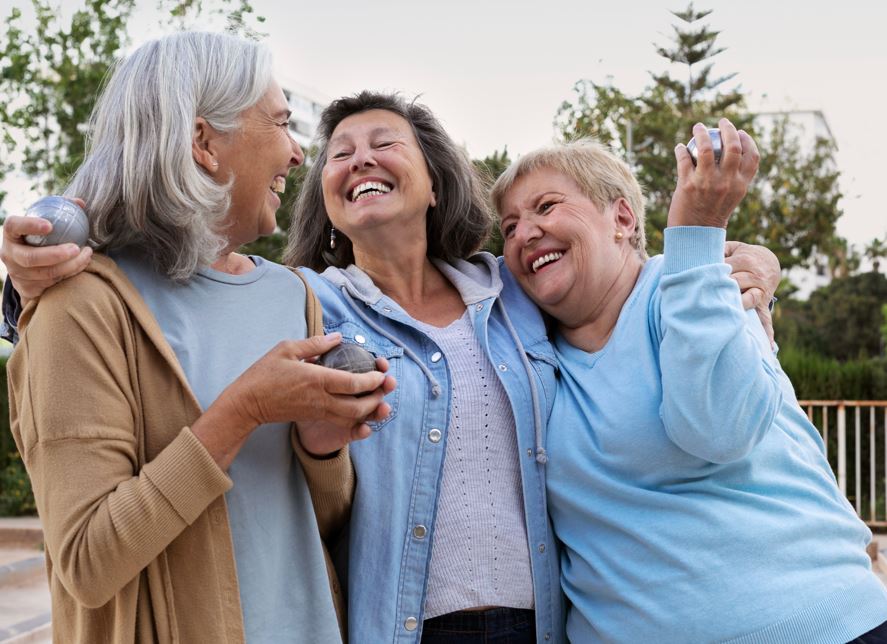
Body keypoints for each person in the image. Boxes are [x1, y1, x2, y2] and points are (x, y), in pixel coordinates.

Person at [2, 93, 780, 642]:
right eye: (338, 155)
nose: (358, 160)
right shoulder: (302, 302)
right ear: (327, 198)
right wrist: (32, 275)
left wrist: (744, 266)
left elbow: (617, 281)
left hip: (542, 622)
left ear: (433, 181)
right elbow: (178, 290)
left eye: (382, 144)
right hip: (398, 627)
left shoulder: (511, 291)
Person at [3, 32, 393, 643]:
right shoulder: (80, 307)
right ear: (203, 142)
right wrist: (244, 411)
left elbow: (319, 522)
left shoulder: (293, 295)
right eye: (281, 123)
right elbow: (87, 562)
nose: (298, 154)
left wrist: (321, 449)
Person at [492, 122, 887, 643]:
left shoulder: (701, 282)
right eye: (509, 227)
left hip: (815, 627)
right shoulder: (524, 350)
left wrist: (698, 234)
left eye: (546, 207)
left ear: (622, 218)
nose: (524, 234)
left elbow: (719, 430)